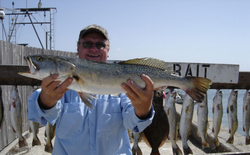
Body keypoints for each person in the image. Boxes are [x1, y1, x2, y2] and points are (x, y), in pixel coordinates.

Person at [28, 24, 155, 155]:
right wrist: (46, 100)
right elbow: (39, 115)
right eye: (87, 44)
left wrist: (143, 109)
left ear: (108, 50)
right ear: (78, 48)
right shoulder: (58, 88)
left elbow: (134, 124)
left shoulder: (125, 86)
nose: (94, 49)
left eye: (100, 45)